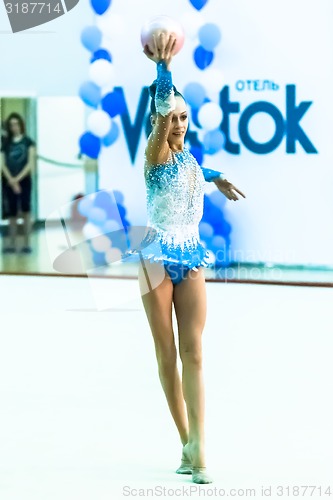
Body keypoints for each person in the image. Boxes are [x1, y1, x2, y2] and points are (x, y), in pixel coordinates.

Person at [137, 32, 246, 484]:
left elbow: (198, 168)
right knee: (167, 353)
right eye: (172, 116)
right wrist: (163, 67)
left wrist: (217, 176)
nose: (179, 123)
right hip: (156, 258)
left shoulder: (189, 158)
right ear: (160, 120)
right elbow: (163, 123)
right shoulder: (155, 152)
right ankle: (186, 440)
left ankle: (199, 445)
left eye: (185, 116)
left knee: (195, 352)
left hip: (191, 254)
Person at [0, 112, 36, 253]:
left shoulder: (28, 142)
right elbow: (2, 164)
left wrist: (18, 179)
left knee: (26, 211)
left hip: (24, 181)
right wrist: (11, 180)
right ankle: (12, 243)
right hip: (8, 182)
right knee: (12, 213)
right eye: (11, 125)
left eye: (16, 124)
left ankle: (26, 243)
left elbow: (30, 164)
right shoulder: (6, 144)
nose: (14, 127)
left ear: (21, 125)